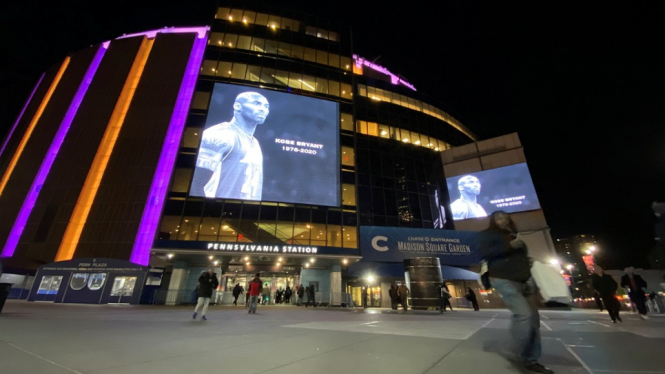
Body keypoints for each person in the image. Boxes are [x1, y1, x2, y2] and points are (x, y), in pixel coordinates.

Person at [479, 211, 553, 374]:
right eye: (498, 218)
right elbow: (484, 253)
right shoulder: (487, 235)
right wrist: (508, 247)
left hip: (523, 280)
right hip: (502, 278)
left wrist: (528, 265)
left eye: (505, 217)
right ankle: (514, 351)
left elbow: (522, 258)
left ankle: (530, 359)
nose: (502, 220)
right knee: (523, 314)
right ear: (492, 221)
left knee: (533, 320)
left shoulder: (515, 236)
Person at [190, 91, 269, 200]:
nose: (262, 109)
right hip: (219, 211)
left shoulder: (255, 142)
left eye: (266, 106)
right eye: (256, 104)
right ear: (237, 106)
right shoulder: (221, 133)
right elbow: (196, 183)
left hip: (245, 212)